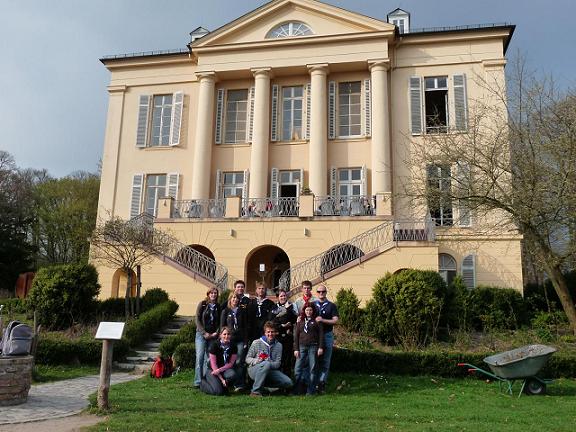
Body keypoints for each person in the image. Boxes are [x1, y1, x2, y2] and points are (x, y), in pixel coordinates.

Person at [245, 321, 293, 397]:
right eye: (268, 332)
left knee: (288, 382)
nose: (270, 334)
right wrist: (257, 361)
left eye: (272, 332)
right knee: (265, 364)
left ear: (276, 333)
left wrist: (268, 362)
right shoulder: (256, 342)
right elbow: (247, 359)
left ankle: (267, 389)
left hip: (270, 370)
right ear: (265, 333)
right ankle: (255, 392)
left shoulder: (279, 345)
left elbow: (277, 364)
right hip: (254, 369)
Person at [313, 284, 339, 394]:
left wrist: (323, 320)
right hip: (314, 335)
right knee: (314, 360)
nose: (321, 294)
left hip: (327, 334)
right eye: (319, 292)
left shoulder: (331, 305)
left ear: (326, 292)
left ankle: (322, 383)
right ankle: (313, 383)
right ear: (316, 293)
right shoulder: (313, 305)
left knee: (325, 360)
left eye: (323, 292)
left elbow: (335, 320)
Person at [220, 292, 249, 390]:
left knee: (239, 361)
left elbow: (245, 326)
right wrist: (222, 340)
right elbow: (222, 327)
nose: (235, 299)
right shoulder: (225, 311)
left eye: (236, 298)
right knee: (229, 361)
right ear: (230, 299)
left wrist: (245, 340)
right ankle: (229, 381)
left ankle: (239, 383)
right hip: (229, 340)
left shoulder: (242, 311)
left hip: (240, 340)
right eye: (233, 298)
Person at [293, 304, 324, 395]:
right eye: (307, 310)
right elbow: (296, 336)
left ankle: (311, 391)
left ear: (313, 311)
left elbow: (321, 335)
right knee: (298, 368)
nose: (308, 312)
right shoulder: (300, 321)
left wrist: (320, 347)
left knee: (313, 368)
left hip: (313, 347)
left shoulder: (317, 321)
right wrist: (296, 349)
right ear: (304, 311)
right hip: (301, 347)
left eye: (310, 310)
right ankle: (297, 390)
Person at [194, 287, 221, 387]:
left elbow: (220, 322)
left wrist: (216, 332)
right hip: (201, 335)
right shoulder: (203, 304)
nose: (213, 295)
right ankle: (198, 381)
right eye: (212, 293)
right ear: (208, 294)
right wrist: (204, 333)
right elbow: (197, 319)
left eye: (215, 293)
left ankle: (205, 380)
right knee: (200, 358)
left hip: (213, 336)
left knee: (209, 359)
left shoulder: (218, 306)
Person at [199, 327, 238, 396]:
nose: (226, 336)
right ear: (220, 335)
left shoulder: (233, 346)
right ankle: (203, 384)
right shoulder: (214, 345)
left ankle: (224, 387)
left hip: (223, 370)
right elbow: (214, 365)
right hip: (212, 371)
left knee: (233, 374)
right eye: (224, 334)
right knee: (218, 392)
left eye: (228, 334)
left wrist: (220, 370)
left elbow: (231, 363)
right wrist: (222, 379)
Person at [270, 289, 297, 376]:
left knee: (287, 360)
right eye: (281, 296)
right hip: (277, 337)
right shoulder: (274, 307)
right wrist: (282, 326)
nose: (283, 297)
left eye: (284, 295)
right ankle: (277, 382)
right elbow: (272, 321)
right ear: (278, 297)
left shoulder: (291, 306)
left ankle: (287, 382)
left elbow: (294, 319)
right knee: (277, 359)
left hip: (288, 337)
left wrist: (288, 309)